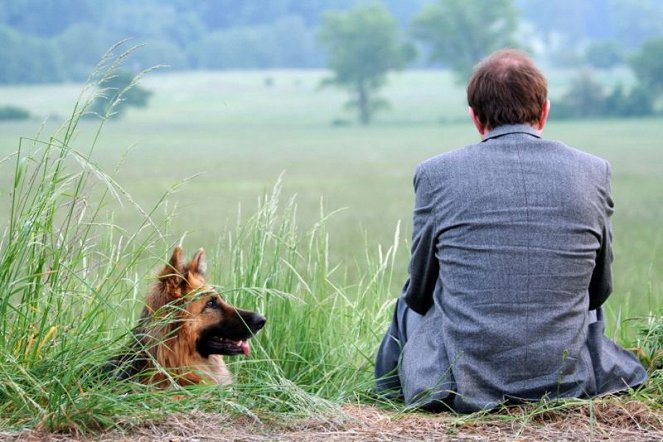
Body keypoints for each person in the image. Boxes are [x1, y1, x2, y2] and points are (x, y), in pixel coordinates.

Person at [374, 49, 646, 413]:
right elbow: (599, 290)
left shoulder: (435, 173)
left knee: (405, 304)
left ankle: (384, 399)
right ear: (544, 112)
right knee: (583, 300)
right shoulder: (594, 171)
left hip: (464, 386)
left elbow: (420, 292)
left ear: (475, 118)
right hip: (571, 378)